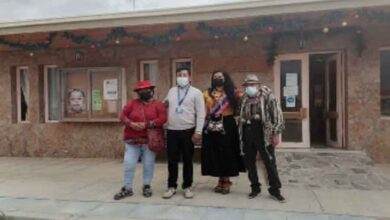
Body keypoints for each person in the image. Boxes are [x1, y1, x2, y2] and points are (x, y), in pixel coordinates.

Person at [114, 80, 167, 200]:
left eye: (147, 90)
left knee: (148, 164)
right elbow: (122, 116)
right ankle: (127, 188)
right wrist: (131, 123)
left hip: (149, 141)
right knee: (129, 164)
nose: (145, 92)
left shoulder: (158, 104)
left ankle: (147, 186)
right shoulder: (132, 103)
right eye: (142, 91)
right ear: (138, 93)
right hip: (132, 141)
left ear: (152, 91)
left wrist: (147, 124)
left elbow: (163, 118)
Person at [238, 74, 286, 202]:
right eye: (247, 85)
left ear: (258, 85)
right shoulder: (244, 98)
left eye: (252, 84)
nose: (250, 87)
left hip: (263, 133)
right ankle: (255, 188)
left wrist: (276, 134)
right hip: (248, 132)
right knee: (249, 162)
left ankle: (275, 190)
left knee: (269, 162)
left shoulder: (269, 96)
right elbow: (240, 114)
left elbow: (277, 115)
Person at [162, 67, 206, 199]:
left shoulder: (196, 92)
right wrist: (163, 104)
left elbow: (201, 113)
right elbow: (165, 103)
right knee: (172, 160)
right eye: (179, 75)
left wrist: (198, 131)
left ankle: (187, 186)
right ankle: (171, 186)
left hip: (188, 131)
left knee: (188, 160)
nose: (182, 77)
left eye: (184, 75)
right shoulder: (171, 90)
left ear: (190, 77)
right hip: (172, 131)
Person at [201, 70, 245, 194]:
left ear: (225, 78)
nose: (218, 79)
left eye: (220, 77)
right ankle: (220, 179)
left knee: (227, 152)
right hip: (212, 124)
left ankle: (226, 180)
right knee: (216, 152)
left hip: (228, 124)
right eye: (215, 77)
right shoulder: (206, 93)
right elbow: (203, 110)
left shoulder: (233, 92)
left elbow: (245, 101)